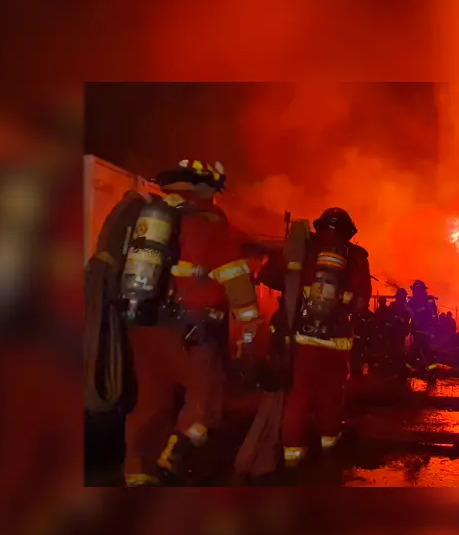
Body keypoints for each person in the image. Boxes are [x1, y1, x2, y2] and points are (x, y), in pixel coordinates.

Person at [123, 159, 262, 487]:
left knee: (150, 404)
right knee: (206, 399)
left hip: (144, 325)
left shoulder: (149, 216)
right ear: (208, 188)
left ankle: (136, 473)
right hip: (190, 332)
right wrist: (251, 322)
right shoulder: (210, 220)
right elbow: (234, 275)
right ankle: (176, 456)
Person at [257, 208, 371, 469]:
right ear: (349, 233)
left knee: (299, 396)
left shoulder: (300, 249)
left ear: (318, 228)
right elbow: (361, 303)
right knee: (331, 395)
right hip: (337, 340)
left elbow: (266, 276)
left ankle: (292, 457)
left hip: (301, 338)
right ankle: (329, 450)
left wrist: (293, 277)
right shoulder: (354, 256)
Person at [406, 280, 439, 375]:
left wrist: (433, 325)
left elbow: (433, 313)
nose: (416, 292)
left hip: (425, 329)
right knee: (424, 348)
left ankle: (406, 368)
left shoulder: (429, 299)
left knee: (416, 348)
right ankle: (431, 369)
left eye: (418, 290)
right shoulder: (412, 301)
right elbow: (407, 310)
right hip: (418, 329)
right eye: (415, 290)